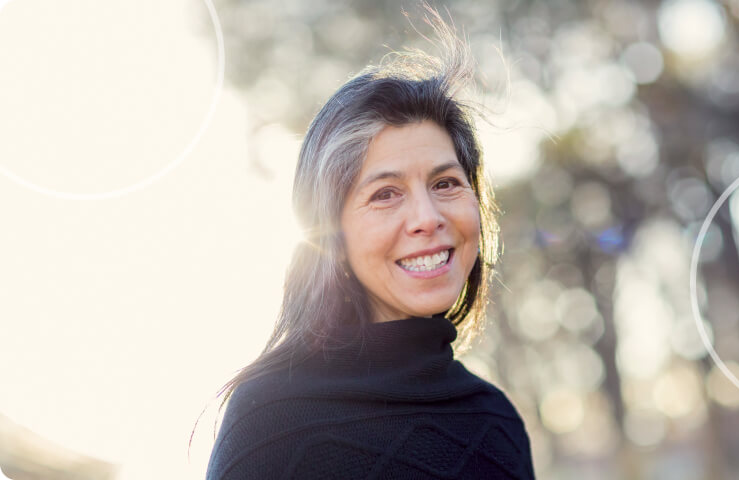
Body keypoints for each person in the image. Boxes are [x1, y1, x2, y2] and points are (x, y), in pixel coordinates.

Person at [205, 9, 534, 480]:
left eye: (445, 184)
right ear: (332, 237)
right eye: (385, 194)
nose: (427, 218)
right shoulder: (270, 421)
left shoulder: (499, 425)